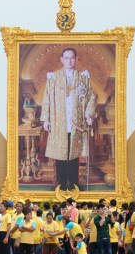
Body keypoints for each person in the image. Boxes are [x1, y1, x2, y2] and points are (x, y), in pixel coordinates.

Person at [40, 47, 96, 190]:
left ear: (76, 59)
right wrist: (46, 119)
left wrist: (89, 114)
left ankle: (73, 184)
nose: (69, 61)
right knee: (61, 153)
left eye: (72, 58)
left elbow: (91, 97)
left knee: (74, 153)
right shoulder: (54, 77)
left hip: (77, 121)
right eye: (66, 58)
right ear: (62, 60)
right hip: (59, 121)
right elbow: (47, 97)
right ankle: (61, 184)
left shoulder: (83, 77)